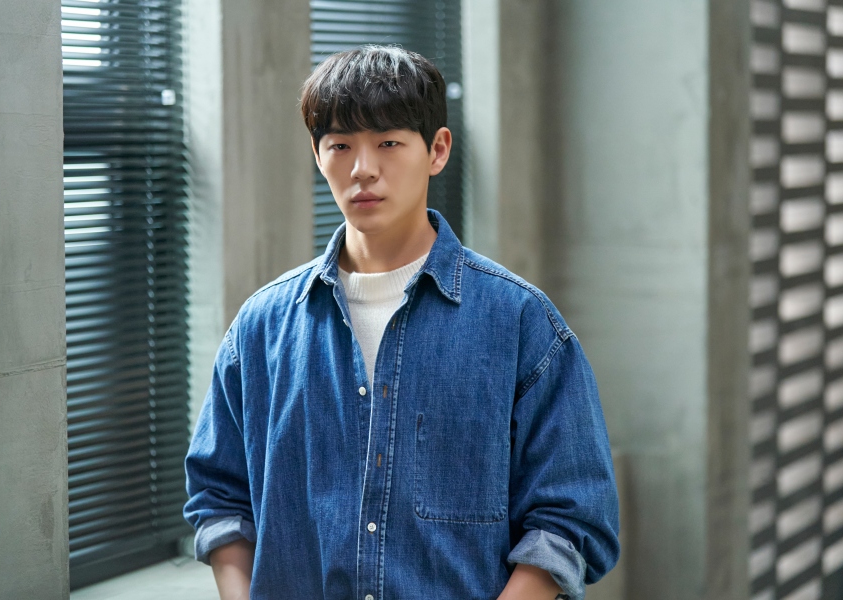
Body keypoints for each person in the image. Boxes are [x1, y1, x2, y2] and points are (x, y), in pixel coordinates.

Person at [183, 45, 620, 600]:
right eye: (340, 145)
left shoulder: (519, 321)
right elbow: (220, 499)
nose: (363, 168)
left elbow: (570, 519)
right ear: (318, 155)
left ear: (437, 150)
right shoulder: (262, 327)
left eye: (388, 142)